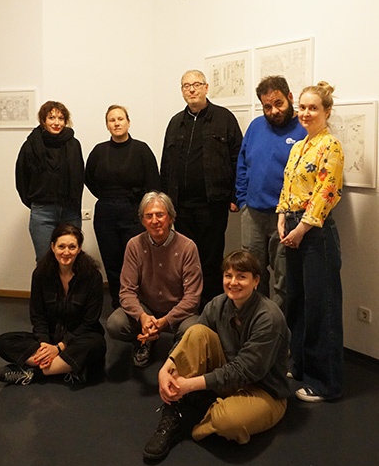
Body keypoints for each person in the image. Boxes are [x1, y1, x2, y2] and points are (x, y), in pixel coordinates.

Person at [143, 250, 290, 462]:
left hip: (264, 390)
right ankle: (172, 414)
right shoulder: (218, 304)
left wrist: (189, 385)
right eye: (228, 276)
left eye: (242, 276)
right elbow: (189, 341)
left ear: (256, 281)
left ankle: (202, 412)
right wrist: (165, 368)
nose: (233, 282)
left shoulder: (269, 317)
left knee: (229, 422)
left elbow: (243, 371)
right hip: (228, 377)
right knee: (195, 331)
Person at [276, 81, 344, 403]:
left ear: (326, 111)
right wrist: (281, 217)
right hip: (293, 226)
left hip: (315, 233)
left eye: (313, 108)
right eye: (302, 107)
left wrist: (301, 228)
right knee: (298, 302)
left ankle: (325, 383)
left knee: (321, 307)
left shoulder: (331, 146)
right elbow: (287, 185)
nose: (305, 113)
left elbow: (326, 193)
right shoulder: (299, 146)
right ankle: (300, 365)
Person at [160, 69, 242, 307]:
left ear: (206, 87)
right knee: (185, 259)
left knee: (210, 259)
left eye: (197, 84)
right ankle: (189, 306)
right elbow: (166, 165)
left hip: (212, 204)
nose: (192, 89)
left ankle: (211, 308)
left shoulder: (224, 118)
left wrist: (235, 195)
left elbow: (238, 158)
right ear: (182, 91)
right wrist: (165, 202)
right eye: (187, 85)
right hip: (181, 207)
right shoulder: (175, 122)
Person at [0, 224, 107, 385]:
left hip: (79, 339)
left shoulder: (92, 277)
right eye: (61, 246)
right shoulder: (40, 274)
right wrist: (44, 344)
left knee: (96, 345)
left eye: (72, 247)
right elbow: (37, 315)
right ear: (53, 247)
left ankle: (34, 373)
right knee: (3, 341)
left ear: (79, 249)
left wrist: (59, 347)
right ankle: (64, 366)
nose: (66, 252)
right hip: (50, 338)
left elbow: (90, 321)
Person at [106, 191, 202, 368]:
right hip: (146, 309)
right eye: (148, 216)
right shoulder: (134, 245)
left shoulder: (188, 247)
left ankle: (177, 347)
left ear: (171, 217)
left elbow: (192, 298)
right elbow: (126, 291)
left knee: (195, 329)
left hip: (178, 311)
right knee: (115, 324)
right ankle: (144, 341)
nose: (154, 221)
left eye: (160, 215)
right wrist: (142, 317)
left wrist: (165, 321)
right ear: (142, 221)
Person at [236, 76, 307, 310]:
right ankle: (255, 322)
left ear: (290, 97)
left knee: (284, 280)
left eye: (278, 103)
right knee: (251, 274)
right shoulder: (256, 126)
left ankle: (278, 326)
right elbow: (242, 163)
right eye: (267, 106)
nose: (274, 111)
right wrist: (243, 200)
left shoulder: (303, 129)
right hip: (253, 214)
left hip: (286, 218)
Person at [85, 105, 160, 309]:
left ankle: (139, 303)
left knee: (136, 261)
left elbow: (154, 182)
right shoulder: (99, 151)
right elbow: (88, 178)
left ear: (128, 122)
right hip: (106, 213)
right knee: (112, 262)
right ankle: (118, 304)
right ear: (107, 125)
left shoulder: (142, 150)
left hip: (133, 212)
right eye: (112, 120)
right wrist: (106, 196)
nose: (116, 123)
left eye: (120, 119)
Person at [15, 101, 85, 261]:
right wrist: (36, 201)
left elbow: (79, 176)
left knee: (71, 259)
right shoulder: (31, 145)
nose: (56, 122)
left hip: (70, 210)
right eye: (51, 118)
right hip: (42, 212)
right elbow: (21, 178)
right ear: (43, 120)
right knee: (44, 260)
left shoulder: (73, 144)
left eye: (61, 118)